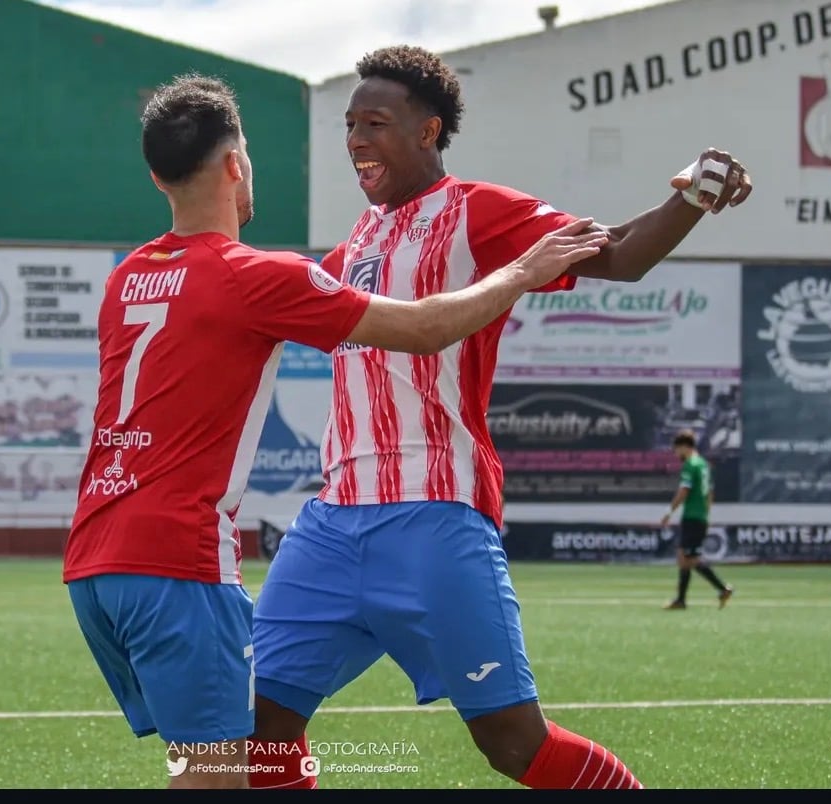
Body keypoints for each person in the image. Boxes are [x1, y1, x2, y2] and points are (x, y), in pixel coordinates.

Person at [62, 73, 607, 790]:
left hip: (93, 561)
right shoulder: (259, 275)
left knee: (254, 747)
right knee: (219, 778)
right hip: (178, 560)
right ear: (235, 166)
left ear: (156, 174)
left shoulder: (128, 276)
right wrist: (521, 271)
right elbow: (423, 328)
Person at [248, 45, 754, 791]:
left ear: (428, 131)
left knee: (513, 745)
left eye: (376, 123)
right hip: (329, 523)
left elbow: (616, 256)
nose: (356, 138)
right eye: (350, 124)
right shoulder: (353, 242)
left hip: (433, 513)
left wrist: (694, 196)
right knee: (250, 728)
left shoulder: (475, 211)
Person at [661, 429, 733, 610]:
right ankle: (681, 600)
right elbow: (709, 493)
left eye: (676, 450)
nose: (676, 454)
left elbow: (684, 491)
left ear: (684, 447)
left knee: (690, 559)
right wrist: (707, 515)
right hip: (699, 517)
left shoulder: (690, 465)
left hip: (692, 517)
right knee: (684, 557)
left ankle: (722, 588)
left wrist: (669, 511)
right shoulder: (704, 465)